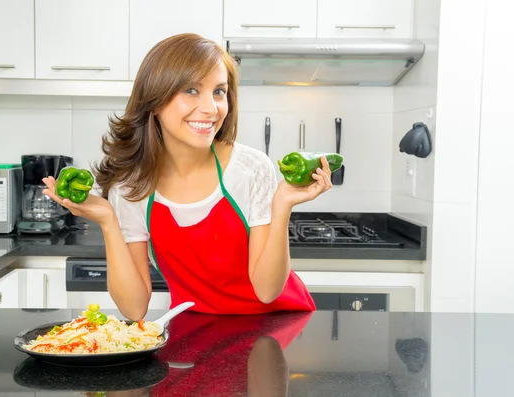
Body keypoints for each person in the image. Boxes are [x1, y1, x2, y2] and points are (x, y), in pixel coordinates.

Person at [42, 33, 333, 321]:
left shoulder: (250, 168)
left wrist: (282, 205)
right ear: (155, 101)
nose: (211, 108)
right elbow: (134, 309)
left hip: (276, 324)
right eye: (191, 90)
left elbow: (267, 291)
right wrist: (108, 222)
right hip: (197, 327)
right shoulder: (131, 188)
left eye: (219, 91)